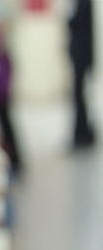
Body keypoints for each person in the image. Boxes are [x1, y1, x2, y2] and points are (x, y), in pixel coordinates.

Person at [68, 0, 94, 148]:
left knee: (79, 94)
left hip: (82, 57)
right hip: (78, 56)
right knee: (77, 95)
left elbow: (75, 23)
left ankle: (83, 132)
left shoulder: (85, 4)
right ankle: (80, 131)